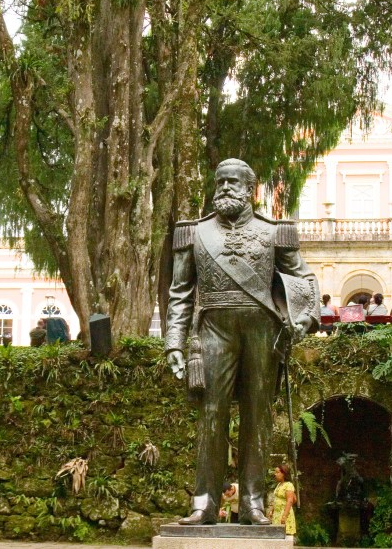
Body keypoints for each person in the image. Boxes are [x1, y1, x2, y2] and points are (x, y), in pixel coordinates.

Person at [165, 158, 319, 525]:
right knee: (211, 415)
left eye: (233, 183)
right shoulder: (194, 232)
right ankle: (203, 502)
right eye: (220, 183)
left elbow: (304, 279)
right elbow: (180, 293)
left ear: (251, 189)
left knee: (257, 417)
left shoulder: (274, 231)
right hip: (213, 330)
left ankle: (252, 502)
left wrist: (305, 315)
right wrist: (174, 340)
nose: (225, 189)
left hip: (262, 332)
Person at [269, 464, 297, 536]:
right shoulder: (279, 484)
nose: (275, 474)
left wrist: (284, 516)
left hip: (284, 514)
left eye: (277, 472)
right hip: (277, 515)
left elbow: (290, 500)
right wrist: (271, 510)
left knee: (285, 535)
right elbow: (276, 499)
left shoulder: (288, 485)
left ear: (283, 473)